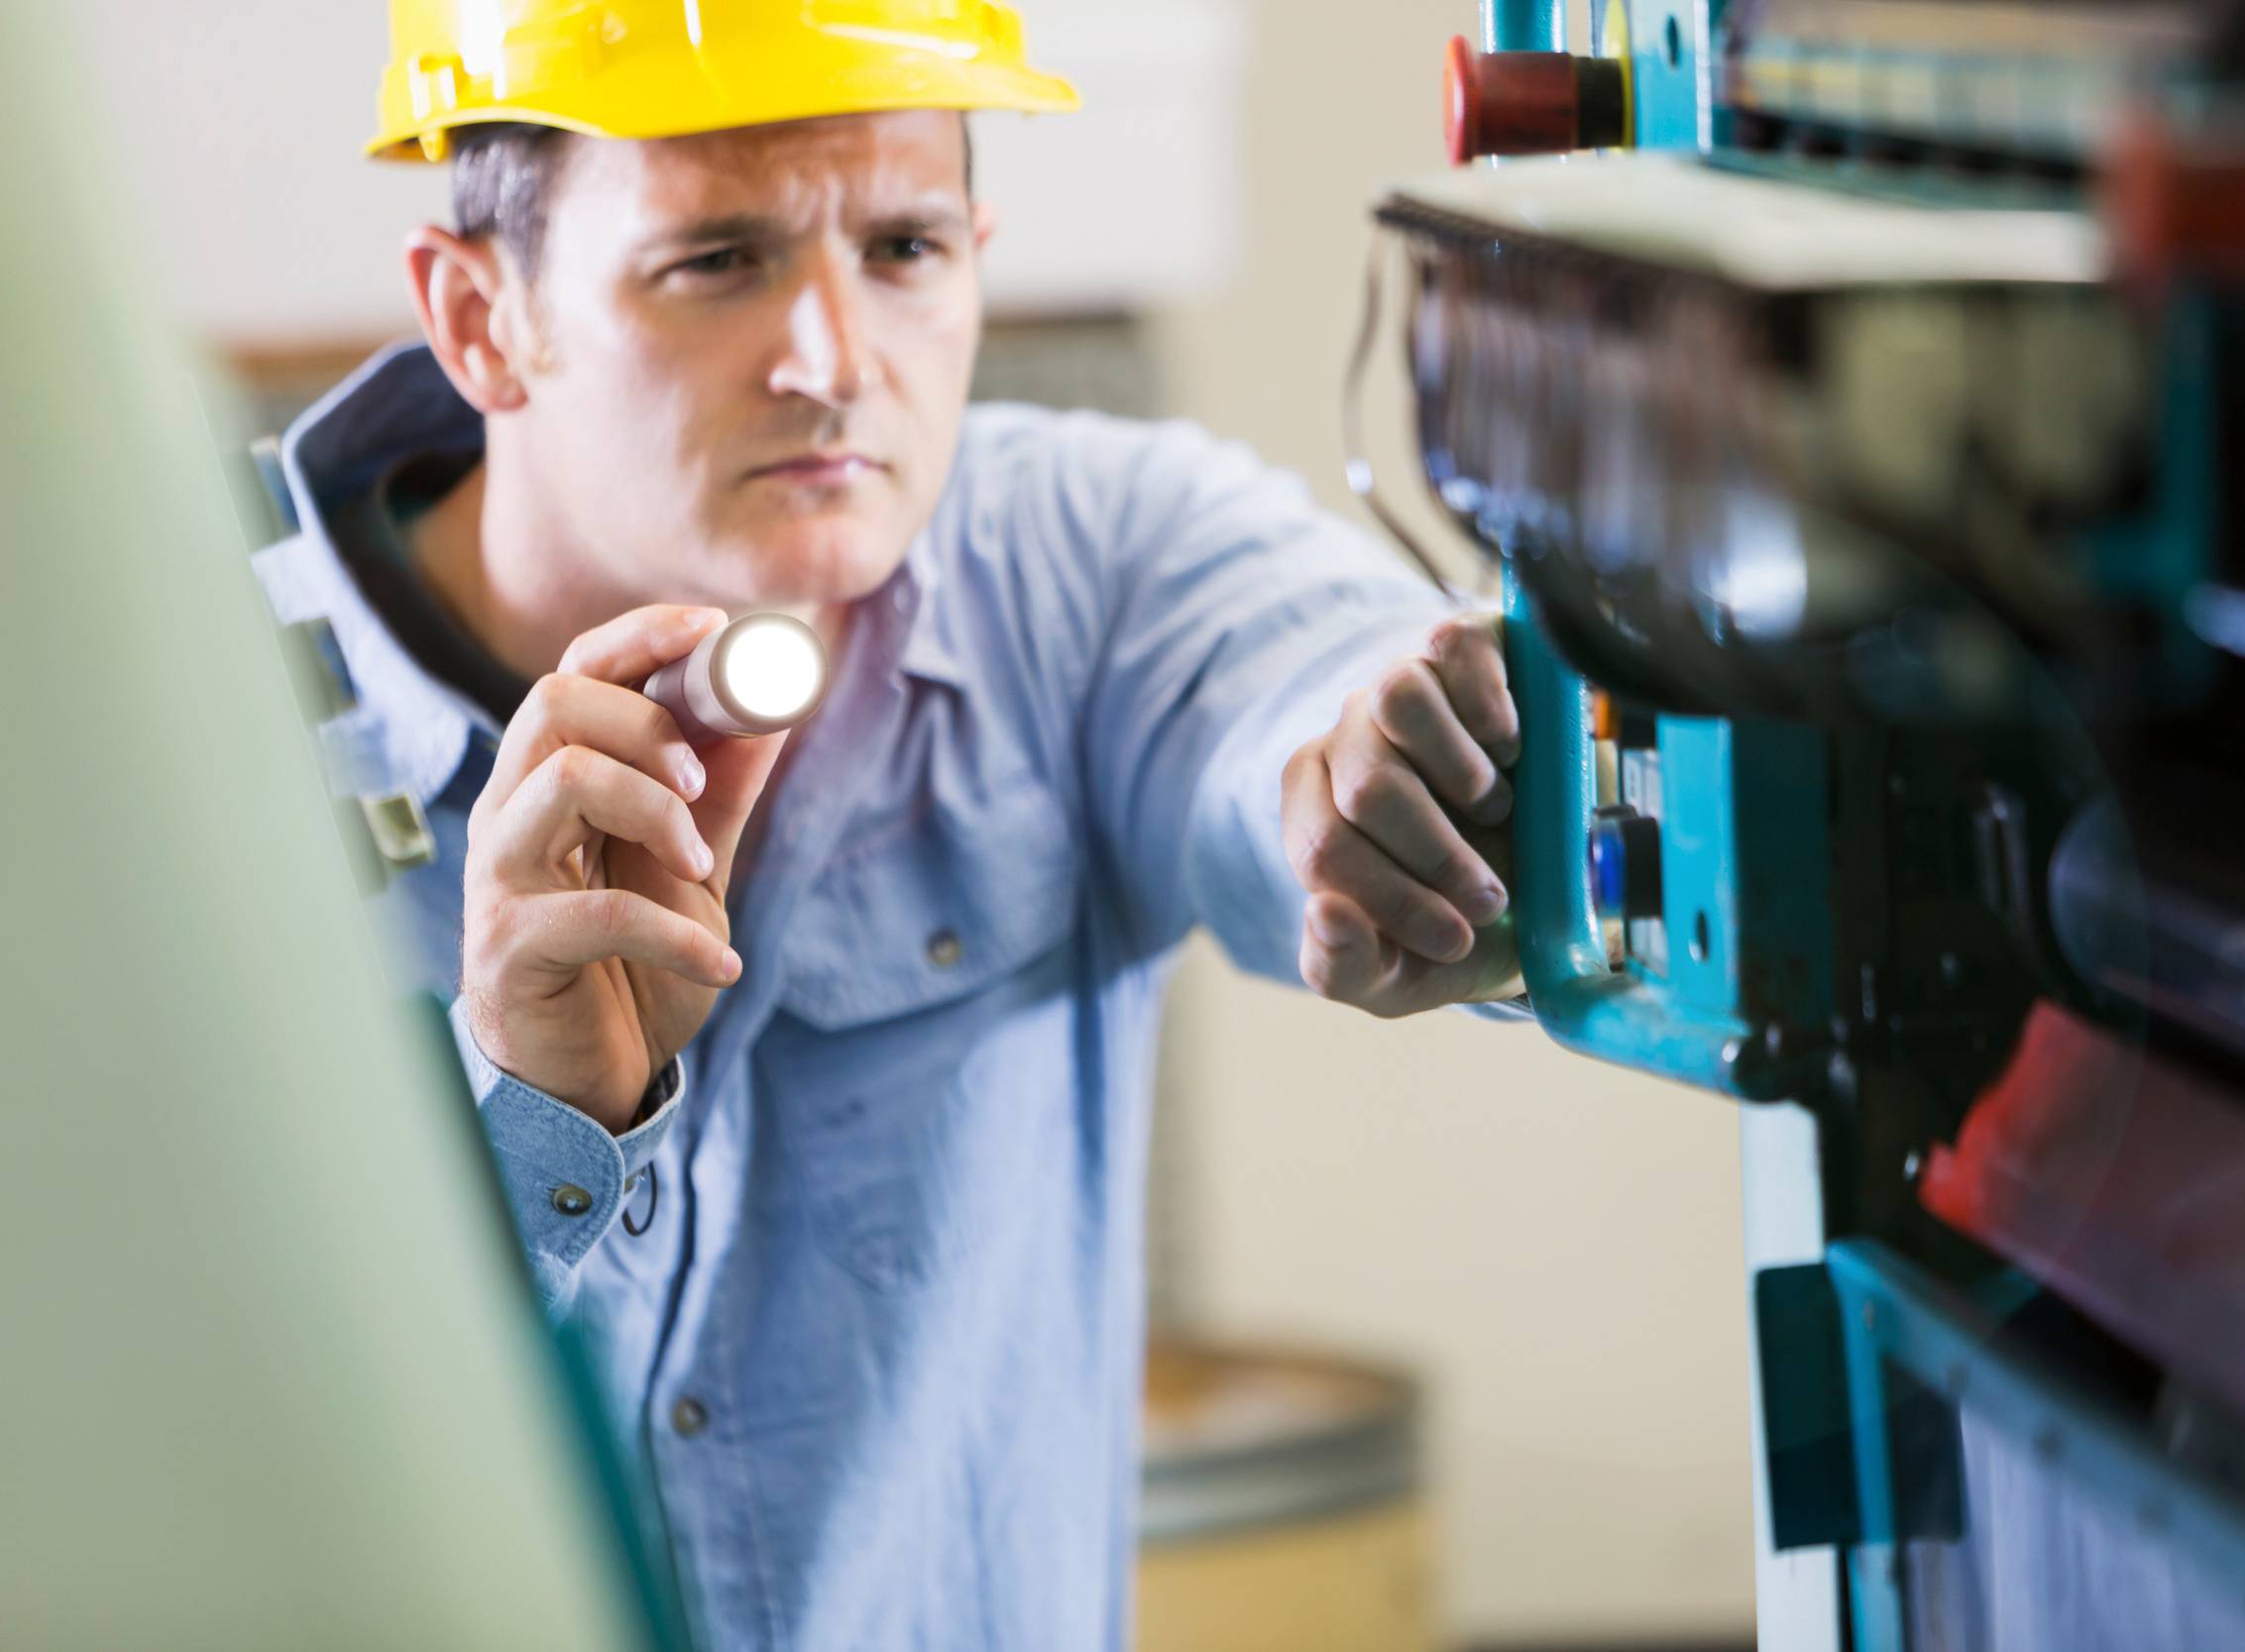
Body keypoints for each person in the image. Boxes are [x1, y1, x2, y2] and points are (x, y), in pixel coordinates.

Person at [257, 3, 1522, 1645]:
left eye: (906, 245)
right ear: (483, 317)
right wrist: (534, 1124)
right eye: (717, 258)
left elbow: (1294, 683)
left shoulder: (1081, 564)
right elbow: (163, 1449)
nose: (834, 356)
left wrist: (1390, 781)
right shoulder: (177, 723)